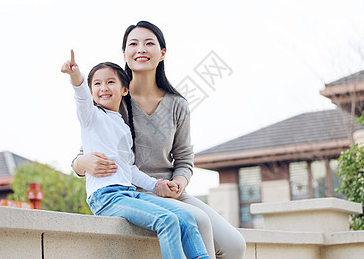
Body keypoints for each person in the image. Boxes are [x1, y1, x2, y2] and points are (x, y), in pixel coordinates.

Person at [72, 21, 246, 258]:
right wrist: (81, 164)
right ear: (125, 53)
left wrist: (178, 184)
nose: (140, 49)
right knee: (199, 222)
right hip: (132, 191)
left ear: (162, 52)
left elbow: (184, 159)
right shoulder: (113, 100)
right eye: (133, 44)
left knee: (235, 245)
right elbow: (86, 151)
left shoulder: (177, 104)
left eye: (149, 43)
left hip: (170, 192)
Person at [61, 51, 209, 259]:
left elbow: (129, 169)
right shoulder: (91, 117)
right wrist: (75, 75)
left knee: (185, 216)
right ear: (91, 90)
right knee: (166, 220)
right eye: (97, 84)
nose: (103, 88)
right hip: (105, 198)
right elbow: (81, 96)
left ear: (124, 89)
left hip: (128, 193)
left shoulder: (123, 126)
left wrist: (156, 185)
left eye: (110, 82)